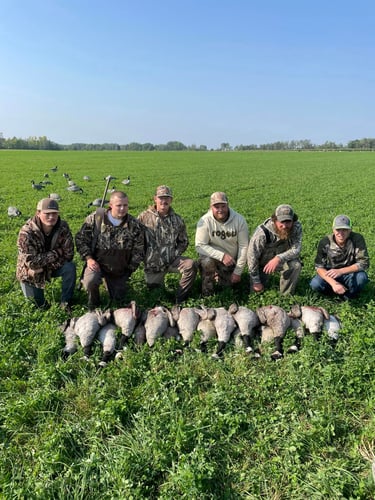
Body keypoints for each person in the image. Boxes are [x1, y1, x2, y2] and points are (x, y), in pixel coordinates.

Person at [75, 191, 145, 309]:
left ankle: (114, 286)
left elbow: (139, 249)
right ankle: (94, 304)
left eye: (125, 205)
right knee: (90, 282)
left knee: (118, 302)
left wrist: (129, 270)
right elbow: (81, 239)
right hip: (97, 264)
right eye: (119, 205)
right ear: (111, 205)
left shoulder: (134, 224)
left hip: (119, 269)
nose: (122, 208)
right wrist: (89, 259)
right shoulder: (96, 218)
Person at [138, 185, 197, 303]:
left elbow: (183, 241)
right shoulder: (144, 217)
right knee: (156, 296)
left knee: (190, 265)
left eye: (167, 198)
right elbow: (135, 240)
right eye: (161, 198)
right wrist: (145, 256)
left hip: (172, 261)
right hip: (153, 265)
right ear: (155, 199)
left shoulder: (177, 219)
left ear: (171, 200)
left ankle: (180, 299)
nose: (164, 201)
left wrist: (174, 253)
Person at [16, 198, 76, 310]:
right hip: (30, 272)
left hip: (50, 267)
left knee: (70, 267)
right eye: (47, 214)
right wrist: (58, 252)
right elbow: (32, 262)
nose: (51, 217)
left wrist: (44, 265)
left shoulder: (63, 227)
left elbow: (69, 254)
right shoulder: (26, 232)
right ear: (38, 213)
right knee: (39, 307)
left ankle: (66, 303)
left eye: (54, 214)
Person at [195, 192, 249, 296]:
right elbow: (199, 246)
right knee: (206, 261)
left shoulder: (239, 220)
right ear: (211, 207)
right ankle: (207, 293)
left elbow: (244, 246)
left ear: (228, 205)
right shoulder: (205, 221)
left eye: (223, 206)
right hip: (213, 258)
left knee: (229, 287)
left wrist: (238, 272)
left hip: (230, 261)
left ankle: (221, 275)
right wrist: (222, 256)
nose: (220, 210)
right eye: (216, 207)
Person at [310, 214, 369, 300]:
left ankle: (348, 296)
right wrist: (333, 283)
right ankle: (335, 291)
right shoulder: (325, 242)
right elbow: (319, 267)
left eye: (344, 230)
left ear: (350, 230)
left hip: (350, 272)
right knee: (315, 284)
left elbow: (364, 263)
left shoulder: (357, 239)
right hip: (331, 273)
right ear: (333, 230)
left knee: (361, 278)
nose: (341, 233)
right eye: (338, 230)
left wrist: (340, 271)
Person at [247, 204, 302, 295]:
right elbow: (252, 257)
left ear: (293, 220)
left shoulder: (296, 227)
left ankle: (286, 295)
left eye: (288, 221)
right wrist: (256, 281)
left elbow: (296, 249)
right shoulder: (262, 233)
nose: (284, 226)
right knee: (257, 292)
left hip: (281, 260)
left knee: (295, 265)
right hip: (261, 264)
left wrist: (278, 258)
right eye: (282, 222)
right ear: (275, 220)